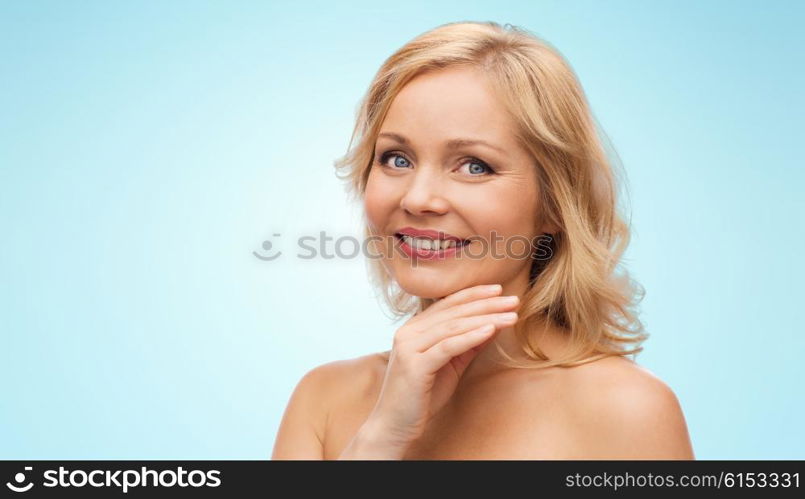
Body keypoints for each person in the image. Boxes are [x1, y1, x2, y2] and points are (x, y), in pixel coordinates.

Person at [272, 21, 694, 460]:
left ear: (554, 205)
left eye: (474, 166)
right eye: (397, 158)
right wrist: (378, 440)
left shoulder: (627, 410)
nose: (418, 198)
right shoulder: (323, 401)